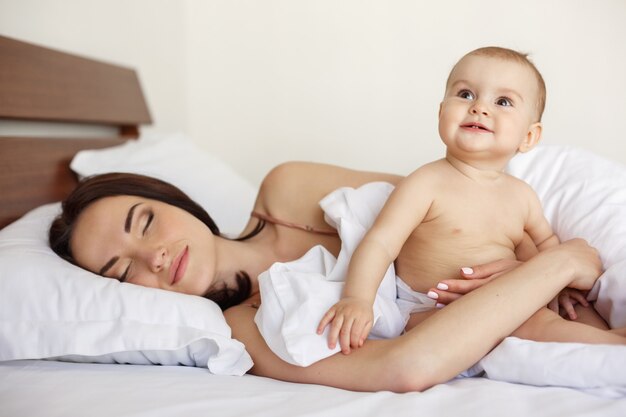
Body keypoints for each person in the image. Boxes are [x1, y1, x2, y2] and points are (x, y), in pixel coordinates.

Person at [49, 165, 607, 392]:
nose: (154, 257)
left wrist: (521, 257)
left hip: (526, 241)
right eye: (122, 271)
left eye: (144, 223)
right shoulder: (244, 331)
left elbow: (452, 196)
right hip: (526, 293)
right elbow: (407, 367)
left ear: (171, 200)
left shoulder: (290, 188)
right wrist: (552, 268)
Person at [318, 46, 626, 354]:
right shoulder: (426, 183)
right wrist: (357, 299)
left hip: (503, 303)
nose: (479, 107)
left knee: (566, 315)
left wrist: (557, 288)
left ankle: (605, 341)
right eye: (465, 94)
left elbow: (546, 249)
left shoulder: (522, 196)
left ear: (529, 137)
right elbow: (380, 243)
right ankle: (612, 347)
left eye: (503, 101)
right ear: (441, 113)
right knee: (531, 327)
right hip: (431, 311)